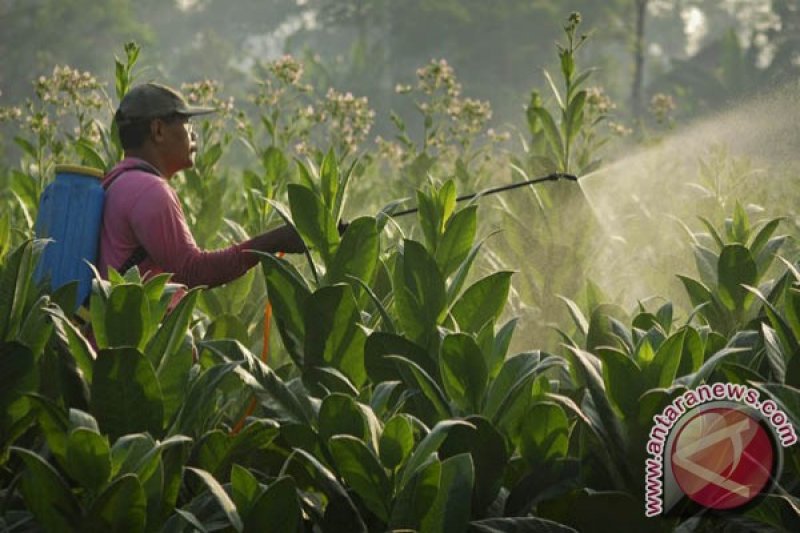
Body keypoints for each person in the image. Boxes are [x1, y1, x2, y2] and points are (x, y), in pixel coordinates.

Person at [98, 82, 305, 288]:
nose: (194, 135)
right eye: (187, 124)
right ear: (158, 130)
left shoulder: (118, 180)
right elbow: (193, 271)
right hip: (132, 321)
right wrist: (272, 242)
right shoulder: (150, 191)